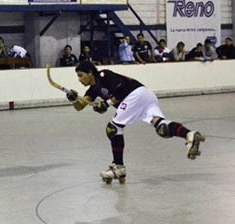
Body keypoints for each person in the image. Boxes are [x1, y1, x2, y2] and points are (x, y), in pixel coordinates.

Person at [65, 61, 205, 184]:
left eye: (81, 75)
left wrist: (107, 103)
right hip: (145, 95)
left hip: (134, 94)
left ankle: (118, 167)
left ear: (90, 73)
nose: (79, 79)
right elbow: (80, 106)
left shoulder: (103, 75)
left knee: (113, 128)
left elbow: (121, 87)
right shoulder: (93, 89)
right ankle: (189, 135)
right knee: (162, 127)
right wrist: (73, 99)